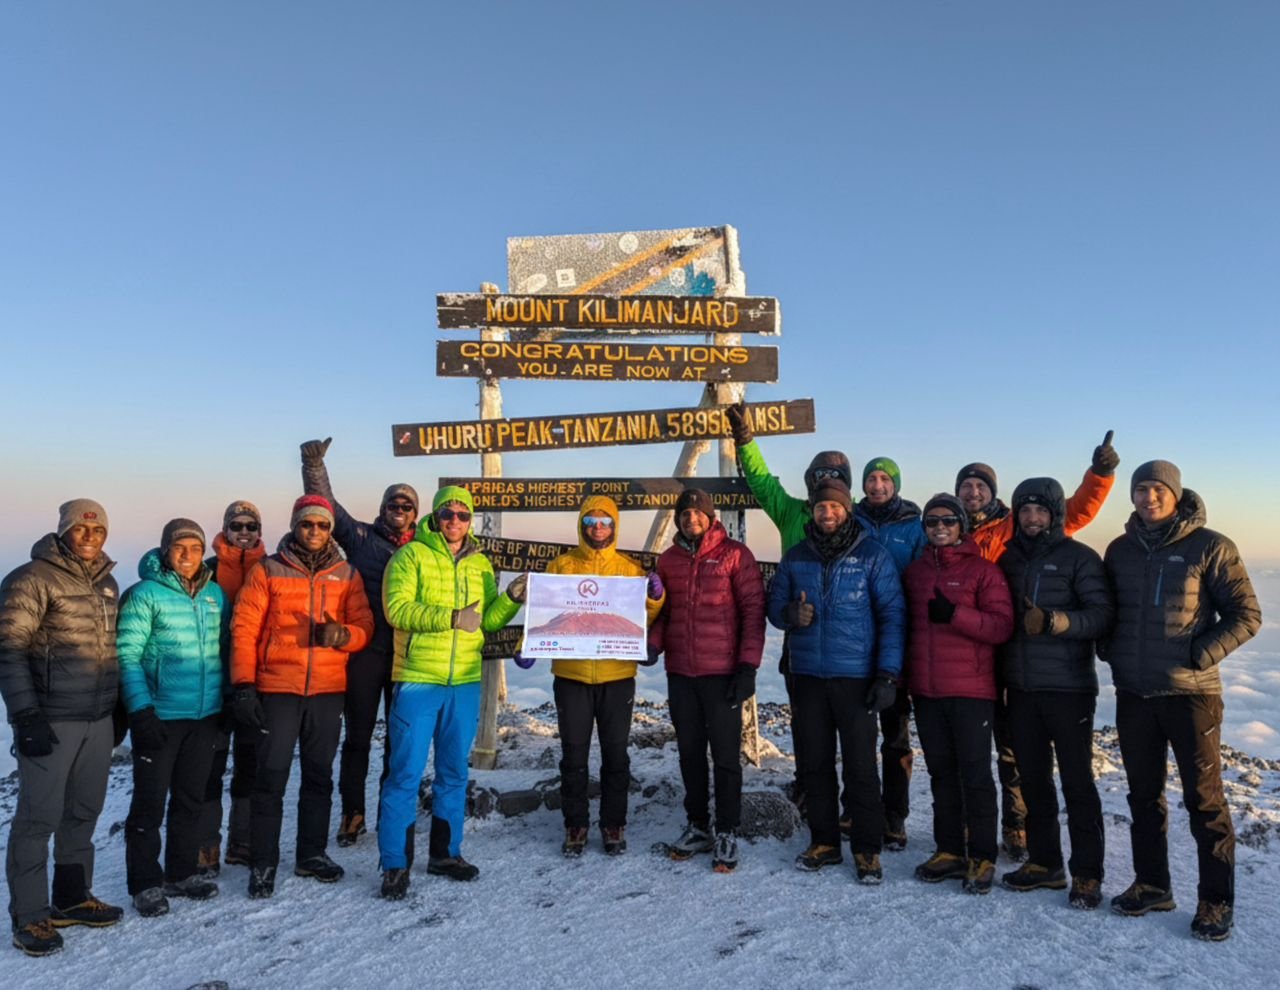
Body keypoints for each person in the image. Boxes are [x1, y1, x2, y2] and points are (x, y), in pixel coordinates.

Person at [1100, 461, 1260, 941]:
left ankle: (1215, 900)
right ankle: (1152, 885)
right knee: (1143, 797)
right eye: (1140, 489)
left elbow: (1246, 614)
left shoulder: (1211, 546)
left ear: (1174, 493)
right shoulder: (1120, 549)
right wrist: (1110, 648)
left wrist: (1200, 653)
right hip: (1134, 692)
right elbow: (1110, 611)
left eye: (1156, 489)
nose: (1148, 497)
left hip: (1192, 695)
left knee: (1204, 801)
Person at [954, 431, 1119, 861]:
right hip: (978, 654)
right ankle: (982, 824)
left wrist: (1100, 474)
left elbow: (1074, 510)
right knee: (982, 749)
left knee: (1022, 754)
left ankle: (1017, 826)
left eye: (980, 486)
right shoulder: (946, 530)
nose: (972, 492)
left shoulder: (1011, 530)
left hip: (1030, 661)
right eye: (966, 486)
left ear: (992, 493)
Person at [376, 486, 522, 900]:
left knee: (454, 773)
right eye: (447, 513)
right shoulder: (411, 556)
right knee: (404, 773)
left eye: (462, 514)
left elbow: (487, 622)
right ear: (435, 516)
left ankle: (445, 854)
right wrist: (451, 617)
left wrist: (511, 599)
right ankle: (394, 865)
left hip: (463, 682)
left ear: (470, 519)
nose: (454, 520)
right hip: (419, 678)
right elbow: (397, 609)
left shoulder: (479, 564)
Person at [229, 495, 374, 899]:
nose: (314, 531)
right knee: (270, 777)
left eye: (322, 526)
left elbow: (364, 624)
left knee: (319, 776)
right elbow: (244, 630)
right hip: (277, 688)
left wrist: (344, 636)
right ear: (295, 526)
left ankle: (311, 854)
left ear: (330, 531)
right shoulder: (268, 570)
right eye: (307, 524)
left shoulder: (346, 574)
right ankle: (263, 862)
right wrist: (243, 684)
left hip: (327, 690)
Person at [0, 499, 124, 957]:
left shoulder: (107, 584)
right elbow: (8, 649)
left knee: (83, 811)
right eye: (80, 529)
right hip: (51, 719)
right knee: (38, 818)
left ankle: (71, 898)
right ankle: (30, 917)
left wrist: (119, 709)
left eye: (98, 530)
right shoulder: (31, 578)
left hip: (97, 718)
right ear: (64, 531)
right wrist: (25, 716)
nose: (90, 537)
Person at [767, 478, 905, 884]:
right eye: (820, 507)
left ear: (848, 510)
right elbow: (775, 607)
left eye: (835, 507)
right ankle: (824, 842)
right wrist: (791, 614)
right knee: (816, 764)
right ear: (812, 511)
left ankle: (867, 849)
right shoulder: (796, 558)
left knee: (862, 767)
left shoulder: (872, 557)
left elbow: (893, 617)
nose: (827, 514)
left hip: (857, 677)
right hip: (808, 675)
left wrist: (887, 674)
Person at [519, 496, 665, 859]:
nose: (597, 528)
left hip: (617, 675)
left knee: (616, 753)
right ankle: (576, 823)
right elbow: (546, 611)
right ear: (581, 525)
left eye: (604, 522)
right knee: (573, 753)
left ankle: (613, 823)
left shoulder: (630, 569)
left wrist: (654, 599)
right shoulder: (561, 565)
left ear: (614, 526)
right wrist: (533, 641)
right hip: (571, 674)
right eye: (590, 522)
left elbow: (644, 616)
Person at [727, 399, 851, 817]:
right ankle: (809, 783)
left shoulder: (857, 522)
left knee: (852, 728)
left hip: (849, 640)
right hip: (800, 638)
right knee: (805, 720)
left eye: (833, 479)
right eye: (818, 478)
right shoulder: (793, 513)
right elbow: (761, 481)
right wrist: (745, 440)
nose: (824, 485)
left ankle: (854, 800)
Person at [996, 479, 1114, 910]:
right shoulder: (1006, 560)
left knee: (1078, 783)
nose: (1031, 518)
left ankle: (1087, 873)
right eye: (1024, 511)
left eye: (1040, 511)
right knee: (1034, 781)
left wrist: (1052, 623)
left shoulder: (1079, 558)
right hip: (1021, 689)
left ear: (1056, 514)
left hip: (1070, 689)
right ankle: (1046, 863)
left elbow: (1101, 617)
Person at [301, 436, 418, 848]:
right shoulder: (362, 538)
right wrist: (313, 465)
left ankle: (390, 811)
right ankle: (353, 813)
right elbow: (327, 506)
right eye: (393, 505)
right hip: (366, 653)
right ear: (383, 508)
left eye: (406, 507)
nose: (399, 512)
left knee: (399, 740)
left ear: (415, 513)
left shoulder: (425, 548)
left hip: (408, 657)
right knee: (358, 738)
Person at [903, 494, 1013, 895]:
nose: (940, 527)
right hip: (927, 691)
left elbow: (1002, 627)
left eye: (948, 520)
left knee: (976, 776)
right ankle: (949, 850)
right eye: (932, 522)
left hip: (971, 690)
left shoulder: (984, 572)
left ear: (962, 525)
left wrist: (956, 615)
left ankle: (982, 855)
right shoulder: (914, 573)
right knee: (941, 774)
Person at [117, 519, 228, 917]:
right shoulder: (145, 594)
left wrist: (227, 701)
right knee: (148, 804)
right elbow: (127, 655)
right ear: (165, 550)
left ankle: (180, 873)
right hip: (160, 715)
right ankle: (145, 883)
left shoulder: (215, 595)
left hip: (205, 716)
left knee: (190, 800)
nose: (187, 554)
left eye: (195, 548)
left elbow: (223, 652)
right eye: (179, 547)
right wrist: (141, 710)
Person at [652, 488, 766, 873]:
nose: (691, 519)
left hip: (722, 673)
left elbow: (753, 612)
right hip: (682, 672)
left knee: (725, 756)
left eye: (697, 513)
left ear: (710, 516)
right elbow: (664, 614)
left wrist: (747, 666)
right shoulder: (668, 560)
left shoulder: (735, 555)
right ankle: (698, 824)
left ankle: (728, 830)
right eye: (684, 514)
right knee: (689, 752)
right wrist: (652, 645)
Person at [854, 456, 926, 850]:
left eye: (884, 478)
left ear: (895, 483)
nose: (877, 485)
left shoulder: (914, 526)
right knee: (856, 732)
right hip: (856, 638)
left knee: (895, 735)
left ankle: (895, 816)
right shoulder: (852, 519)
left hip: (898, 638)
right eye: (871, 478)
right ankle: (858, 806)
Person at [198, 499, 268, 873]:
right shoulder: (204, 572)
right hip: (211, 684)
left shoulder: (271, 569)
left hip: (257, 683)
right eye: (236, 525)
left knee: (250, 766)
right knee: (208, 768)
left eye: (250, 526)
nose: (243, 532)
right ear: (225, 529)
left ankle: (241, 842)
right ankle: (206, 845)